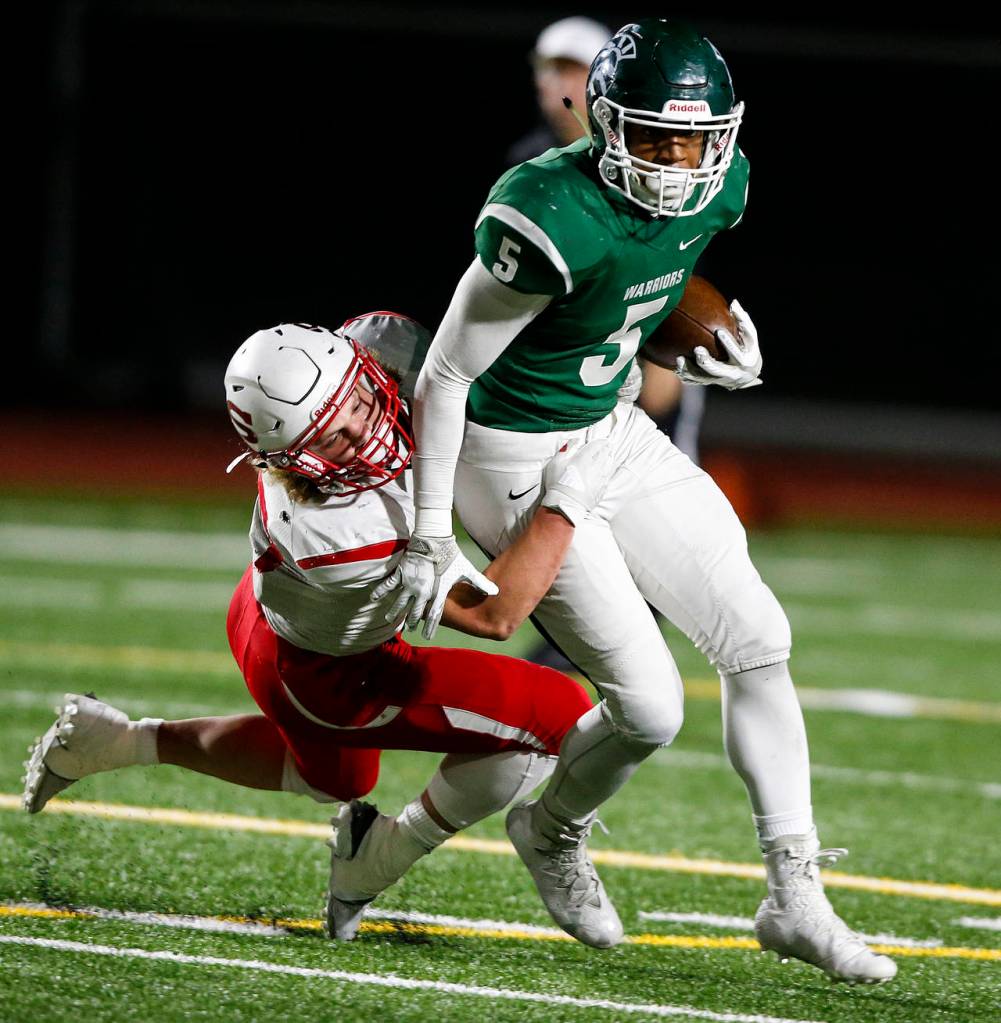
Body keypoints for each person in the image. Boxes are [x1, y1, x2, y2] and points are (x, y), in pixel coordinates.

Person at [376, 19, 897, 983]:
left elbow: (634, 298)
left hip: (611, 429)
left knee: (758, 634)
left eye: (693, 140)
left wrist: (688, 339)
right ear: (605, 123)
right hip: (511, 451)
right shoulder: (542, 211)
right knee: (650, 710)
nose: (675, 161)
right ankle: (549, 825)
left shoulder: (722, 185)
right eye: (653, 137)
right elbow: (444, 375)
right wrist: (425, 533)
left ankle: (794, 892)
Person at [22, 314, 617, 942]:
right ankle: (385, 852)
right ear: (296, 459)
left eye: (359, 400)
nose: (366, 428)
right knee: (554, 714)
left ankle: (116, 740)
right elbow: (497, 615)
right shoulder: (339, 535)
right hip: (334, 676)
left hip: (265, 623)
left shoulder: (343, 374)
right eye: (335, 438)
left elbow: (423, 348)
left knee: (337, 779)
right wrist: (568, 501)